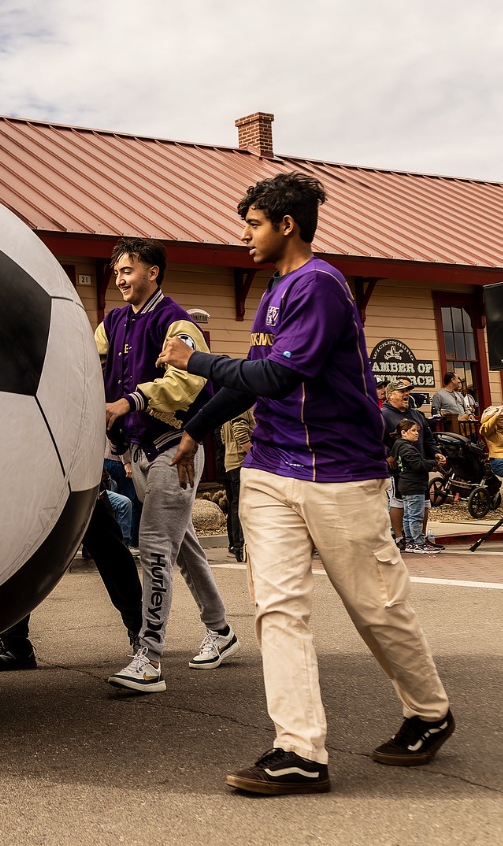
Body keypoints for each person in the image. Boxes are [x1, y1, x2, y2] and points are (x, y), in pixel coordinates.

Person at [158, 172, 453, 795]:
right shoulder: (274, 292)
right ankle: (298, 751)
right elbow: (246, 382)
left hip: (340, 474)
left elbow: (276, 378)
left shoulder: (320, 287)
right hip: (270, 469)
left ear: (286, 225)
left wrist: (196, 360)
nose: (244, 236)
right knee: (277, 607)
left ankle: (429, 712)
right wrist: (193, 429)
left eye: (253, 224)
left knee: (376, 607)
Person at [101, 236, 238, 694]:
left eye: (128, 270)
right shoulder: (114, 321)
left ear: (153, 272)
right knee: (183, 544)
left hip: (175, 449)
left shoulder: (177, 324)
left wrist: (130, 400)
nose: (120, 279)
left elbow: (183, 385)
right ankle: (220, 631)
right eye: (117, 271)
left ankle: (150, 656)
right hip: (137, 452)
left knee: (155, 543)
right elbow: (84, 356)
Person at [0, 491, 143, 671]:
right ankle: (14, 645)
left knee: (110, 551)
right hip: (29, 486)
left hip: (78, 479)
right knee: (17, 556)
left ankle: (141, 631)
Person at [383, 381, 445, 550]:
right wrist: (388, 455)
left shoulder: (417, 415)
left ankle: (420, 538)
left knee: (423, 503)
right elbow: (374, 440)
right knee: (398, 502)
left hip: (419, 468)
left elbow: (428, 439)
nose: (406, 394)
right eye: (401, 391)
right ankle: (400, 538)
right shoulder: (383, 415)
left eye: (407, 391)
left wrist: (435, 453)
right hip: (399, 470)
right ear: (390, 395)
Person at [391, 420, 441, 555]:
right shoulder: (407, 448)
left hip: (406, 484)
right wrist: (433, 463)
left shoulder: (399, 445)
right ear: (403, 432)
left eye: (417, 430)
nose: (416, 433)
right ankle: (418, 542)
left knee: (408, 515)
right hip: (413, 485)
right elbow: (418, 465)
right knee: (415, 516)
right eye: (413, 430)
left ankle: (410, 541)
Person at [220, 409, 254, 562]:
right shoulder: (242, 406)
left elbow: (222, 436)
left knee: (237, 505)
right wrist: (256, 456)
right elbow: (240, 432)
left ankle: (237, 547)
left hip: (231, 461)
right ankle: (240, 547)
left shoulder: (231, 405)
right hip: (241, 461)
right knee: (242, 506)